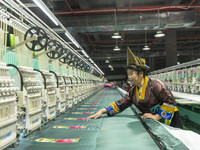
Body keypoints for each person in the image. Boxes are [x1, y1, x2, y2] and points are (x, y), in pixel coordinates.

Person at [88, 47, 183, 128]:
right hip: (155, 120)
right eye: (128, 74)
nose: (129, 77)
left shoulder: (155, 84)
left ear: (141, 73)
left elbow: (170, 101)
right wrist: (102, 111)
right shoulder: (133, 91)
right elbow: (121, 104)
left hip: (170, 119)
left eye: (131, 74)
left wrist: (156, 117)